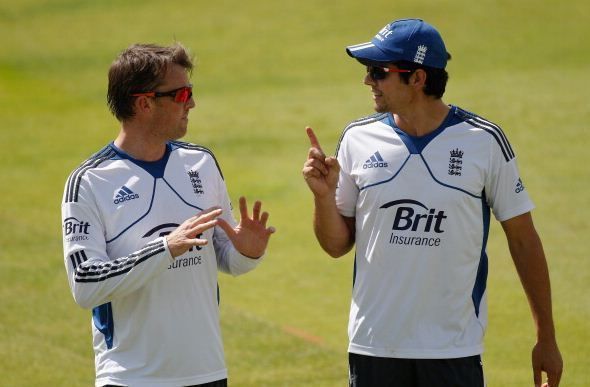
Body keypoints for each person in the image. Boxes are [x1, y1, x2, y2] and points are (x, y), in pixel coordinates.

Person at [302, 18, 562, 387]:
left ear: (418, 78)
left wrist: (546, 339)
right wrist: (324, 199)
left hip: (452, 352)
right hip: (374, 348)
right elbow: (335, 245)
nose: (368, 81)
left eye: (379, 71)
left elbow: (523, 240)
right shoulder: (357, 138)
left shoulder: (484, 142)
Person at [61, 43, 275, 387]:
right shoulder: (90, 182)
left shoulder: (201, 163)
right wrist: (164, 248)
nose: (192, 102)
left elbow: (226, 259)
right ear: (144, 102)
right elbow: (85, 284)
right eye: (181, 94)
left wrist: (248, 251)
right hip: (132, 377)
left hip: (206, 371)